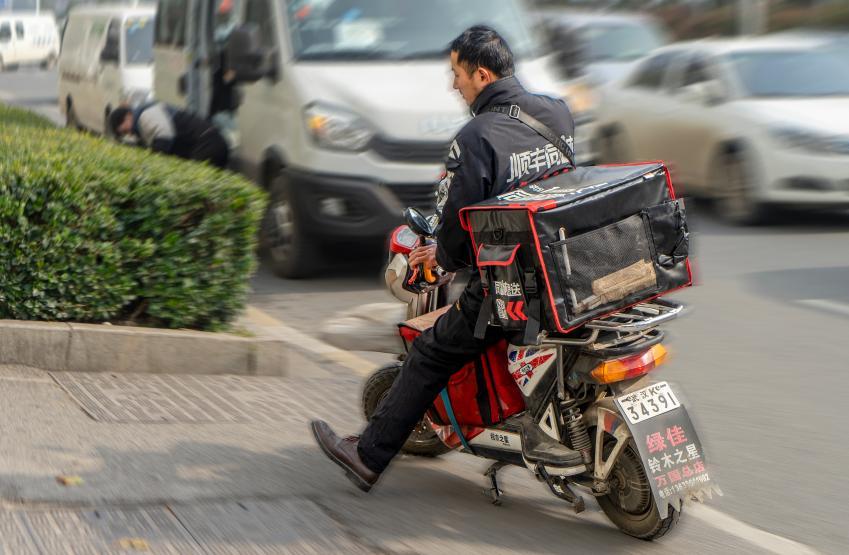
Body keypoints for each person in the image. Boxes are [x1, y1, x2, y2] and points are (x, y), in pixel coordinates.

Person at [310, 25, 576, 492]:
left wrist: (445, 258)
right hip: (572, 265)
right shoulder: (557, 111)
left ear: (480, 73)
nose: (453, 85)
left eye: (456, 74)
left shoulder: (475, 138)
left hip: (515, 285)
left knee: (432, 351)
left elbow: (454, 227)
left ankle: (368, 456)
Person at [108, 103, 230, 169]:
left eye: (125, 130)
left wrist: (152, 165)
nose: (128, 134)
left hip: (208, 144)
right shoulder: (141, 125)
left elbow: (164, 138)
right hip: (208, 144)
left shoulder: (146, 115)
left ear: (129, 116)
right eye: (123, 134)